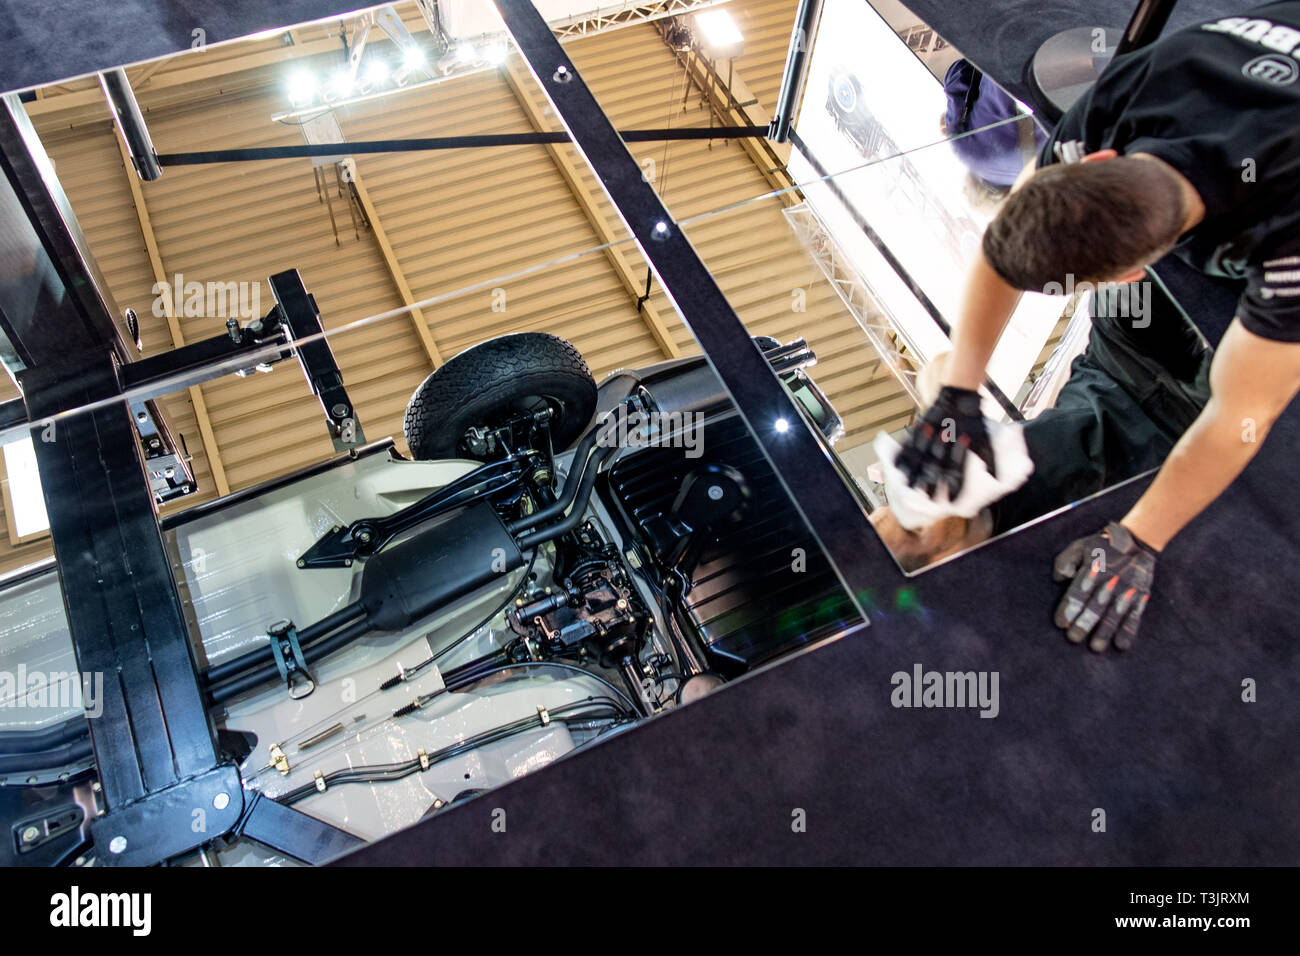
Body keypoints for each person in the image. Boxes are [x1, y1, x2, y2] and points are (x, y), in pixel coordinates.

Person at [894, 3, 1300, 652]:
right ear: (1093, 159)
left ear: (1134, 273)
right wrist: (956, 393)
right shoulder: (1134, 87)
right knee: (1116, 383)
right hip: (1246, 97)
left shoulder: (1288, 243)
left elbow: (1242, 415)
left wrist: (1138, 540)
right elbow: (1009, 238)